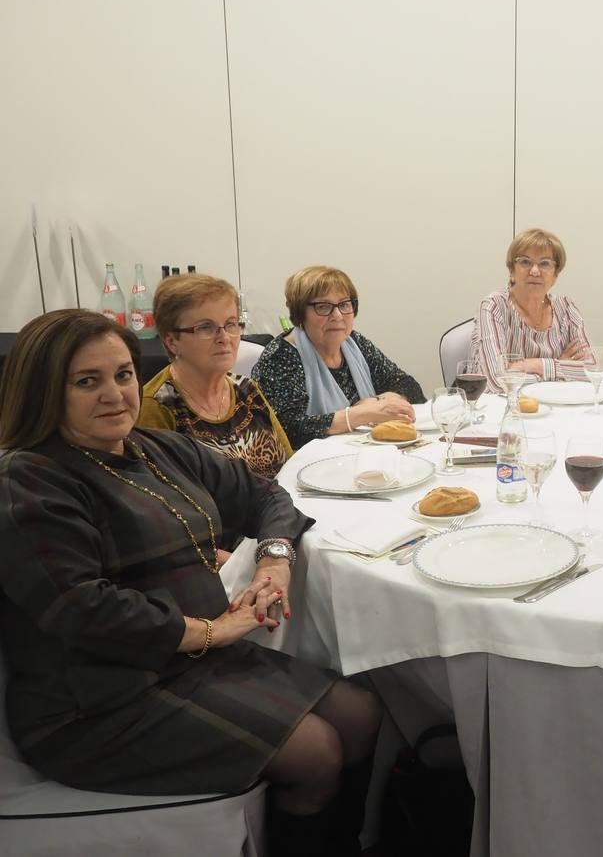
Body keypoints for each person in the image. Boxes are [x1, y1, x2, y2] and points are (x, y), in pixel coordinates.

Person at [0, 310, 382, 856]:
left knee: (363, 714)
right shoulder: (29, 479)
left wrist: (274, 561)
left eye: (124, 375)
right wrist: (214, 631)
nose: (115, 395)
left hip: (189, 662)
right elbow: (83, 608)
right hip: (96, 701)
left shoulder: (154, 450)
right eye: (87, 381)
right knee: (316, 752)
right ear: (43, 390)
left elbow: (268, 495)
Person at [138, 273, 291, 479]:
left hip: (281, 506)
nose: (224, 338)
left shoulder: (247, 389)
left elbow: (290, 465)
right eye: (205, 328)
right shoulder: (157, 407)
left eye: (230, 324)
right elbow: (164, 500)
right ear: (171, 340)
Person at [252, 266, 423, 449]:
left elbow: (409, 386)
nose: (337, 315)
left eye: (344, 304)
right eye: (323, 307)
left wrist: (378, 402)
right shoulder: (280, 357)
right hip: (310, 465)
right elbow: (290, 431)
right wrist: (361, 413)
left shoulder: (354, 342)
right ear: (300, 313)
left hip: (362, 455)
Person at [471, 228, 594, 393]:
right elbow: (496, 382)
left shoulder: (567, 308)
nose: (535, 271)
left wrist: (532, 365)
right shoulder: (493, 306)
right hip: (499, 411)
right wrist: (560, 367)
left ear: (555, 274)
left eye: (545, 264)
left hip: (554, 409)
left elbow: (593, 370)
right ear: (511, 270)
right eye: (525, 262)